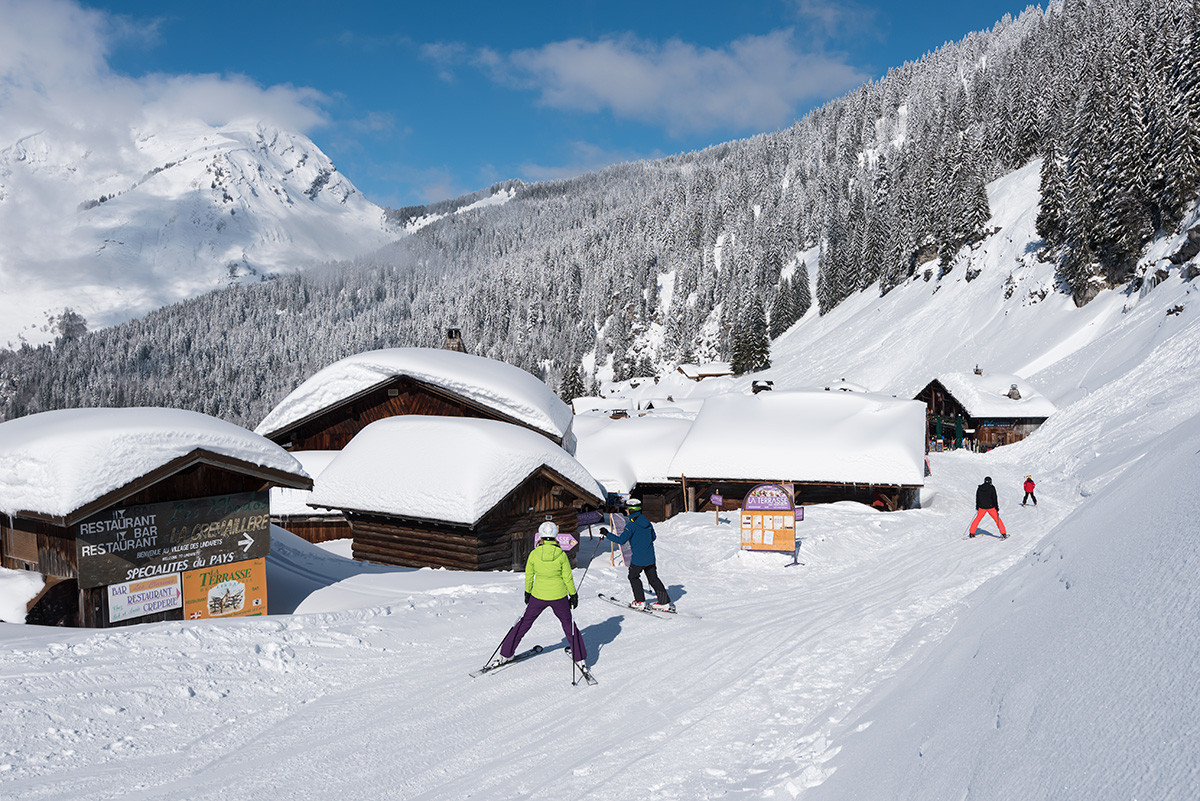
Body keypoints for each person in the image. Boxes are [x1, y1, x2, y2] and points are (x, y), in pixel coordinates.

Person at [497, 521, 587, 667]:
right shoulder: (561, 555)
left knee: (524, 623)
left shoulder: (534, 554)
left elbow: (529, 575)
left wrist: (527, 592)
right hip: (558, 596)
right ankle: (580, 657)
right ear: (555, 536)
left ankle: (506, 653)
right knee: (568, 624)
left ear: (541, 536)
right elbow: (567, 577)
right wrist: (573, 594)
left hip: (538, 596)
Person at [600, 498, 673, 610]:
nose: (626, 512)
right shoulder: (647, 523)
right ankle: (664, 602)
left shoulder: (631, 526)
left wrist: (607, 534)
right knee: (653, 579)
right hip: (650, 558)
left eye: (627, 510)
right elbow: (653, 537)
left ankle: (640, 601)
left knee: (633, 576)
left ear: (631, 511)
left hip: (639, 559)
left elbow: (621, 541)